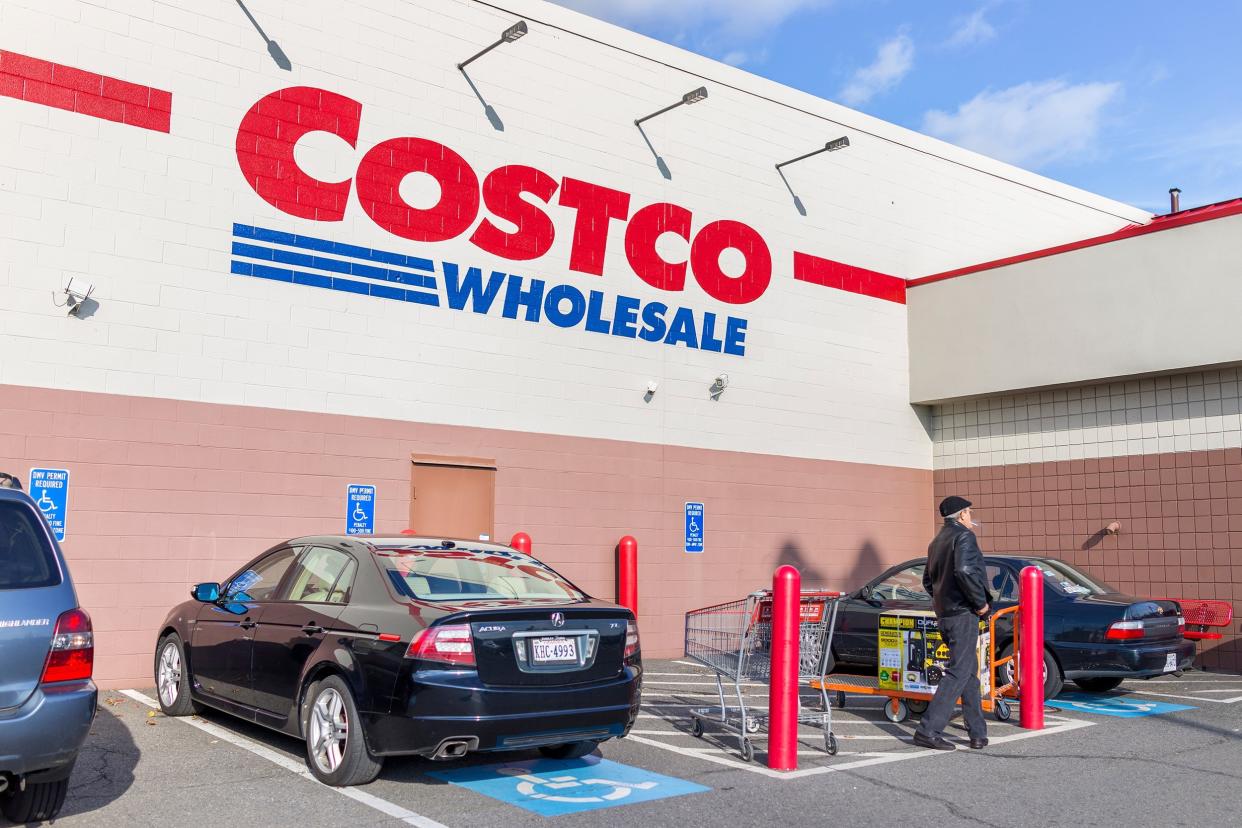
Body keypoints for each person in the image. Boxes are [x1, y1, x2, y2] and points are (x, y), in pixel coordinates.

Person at [913, 495, 990, 751]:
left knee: (968, 671)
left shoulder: (936, 542)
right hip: (962, 614)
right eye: (969, 512)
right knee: (959, 671)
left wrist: (943, 600)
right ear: (962, 515)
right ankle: (928, 730)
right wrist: (980, 604)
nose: (971, 516)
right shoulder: (964, 537)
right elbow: (965, 571)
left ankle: (977, 733)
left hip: (945, 614)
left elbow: (928, 581)